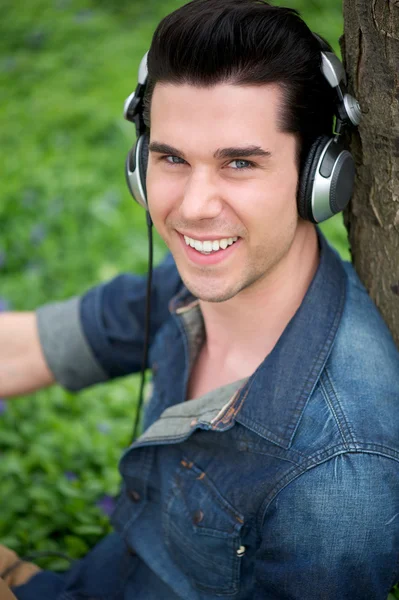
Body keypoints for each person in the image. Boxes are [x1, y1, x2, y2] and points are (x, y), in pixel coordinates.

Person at [1, 0, 399, 598]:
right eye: (171, 159)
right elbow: (29, 347)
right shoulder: (196, 282)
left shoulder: (337, 473)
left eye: (239, 163)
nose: (192, 207)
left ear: (318, 176)